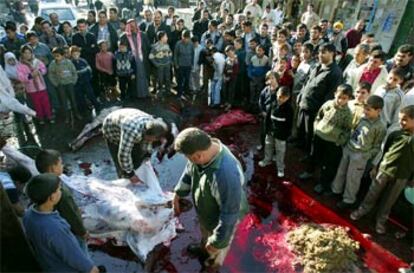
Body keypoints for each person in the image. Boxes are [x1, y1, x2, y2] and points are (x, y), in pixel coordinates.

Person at [173, 128, 248, 272]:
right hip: (209, 210)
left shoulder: (225, 175)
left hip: (226, 216)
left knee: (217, 249)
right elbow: (189, 171)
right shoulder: (203, 150)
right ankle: (204, 248)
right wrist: (178, 193)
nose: (188, 161)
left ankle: (212, 266)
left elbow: (230, 215)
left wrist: (217, 242)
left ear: (198, 156)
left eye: (189, 158)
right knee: (206, 232)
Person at [350, 105, 414, 234]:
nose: (401, 122)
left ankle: (380, 220)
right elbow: (385, 151)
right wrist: (377, 166)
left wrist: (412, 179)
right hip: (384, 170)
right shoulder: (396, 134)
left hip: (402, 176)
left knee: (389, 200)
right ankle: (362, 210)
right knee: (372, 193)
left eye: (405, 120)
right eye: (400, 119)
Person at [23, 173, 99, 273]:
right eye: (59, 189)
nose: (61, 191)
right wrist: (93, 269)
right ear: (52, 197)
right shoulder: (55, 229)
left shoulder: (29, 214)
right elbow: (74, 257)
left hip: (49, 264)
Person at [332, 95, 386, 209]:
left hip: (360, 155)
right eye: (365, 108)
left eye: (368, 110)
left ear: (378, 110)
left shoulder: (380, 127)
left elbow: (377, 147)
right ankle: (336, 191)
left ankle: (348, 200)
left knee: (353, 178)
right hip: (349, 148)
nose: (365, 111)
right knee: (341, 171)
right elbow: (354, 130)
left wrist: (366, 155)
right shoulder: (362, 118)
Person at [296, 43, 342, 159]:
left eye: (324, 52)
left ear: (332, 53)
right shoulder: (317, 66)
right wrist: (301, 95)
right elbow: (307, 82)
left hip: (314, 110)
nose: (320, 55)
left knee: (311, 135)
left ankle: (310, 157)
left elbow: (330, 96)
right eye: (319, 52)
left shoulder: (335, 73)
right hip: (304, 104)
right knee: (302, 130)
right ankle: (300, 146)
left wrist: (321, 113)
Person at [102, 108, 169, 182]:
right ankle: (124, 177)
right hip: (111, 129)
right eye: (154, 139)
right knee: (122, 165)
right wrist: (130, 174)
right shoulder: (132, 132)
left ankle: (136, 170)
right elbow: (123, 155)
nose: (152, 141)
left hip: (127, 118)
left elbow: (148, 143)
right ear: (148, 135)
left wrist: (146, 161)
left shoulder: (152, 125)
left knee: (138, 156)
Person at [259, 86, 293, 178]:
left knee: (280, 151)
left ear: (288, 97)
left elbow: (289, 124)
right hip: (271, 131)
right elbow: (267, 119)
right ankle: (267, 160)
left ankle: (280, 168)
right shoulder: (273, 104)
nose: (280, 99)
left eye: (283, 98)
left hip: (281, 135)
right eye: (279, 96)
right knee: (268, 146)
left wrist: (286, 135)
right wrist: (266, 130)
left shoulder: (289, 109)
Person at [17, 45, 53, 125]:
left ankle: (49, 115)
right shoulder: (20, 65)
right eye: (25, 53)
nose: (27, 55)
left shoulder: (36, 61)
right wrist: (30, 76)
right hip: (31, 88)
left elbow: (44, 69)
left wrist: (39, 71)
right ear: (22, 54)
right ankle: (41, 117)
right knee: (37, 104)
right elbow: (21, 77)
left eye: (29, 53)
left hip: (41, 86)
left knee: (46, 102)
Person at [48, 47, 81, 123]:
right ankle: (67, 116)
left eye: (58, 55)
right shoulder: (53, 64)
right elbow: (51, 74)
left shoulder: (68, 62)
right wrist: (56, 83)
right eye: (55, 56)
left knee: (73, 99)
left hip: (69, 84)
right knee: (63, 101)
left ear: (62, 56)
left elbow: (74, 72)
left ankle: (76, 114)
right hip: (61, 85)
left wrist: (73, 81)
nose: (56, 57)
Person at [119, 19, 151, 98]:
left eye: (134, 26)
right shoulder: (124, 36)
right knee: (133, 78)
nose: (133, 28)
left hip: (142, 60)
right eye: (131, 26)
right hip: (131, 61)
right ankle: (134, 94)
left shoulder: (143, 35)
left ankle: (144, 93)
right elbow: (121, 48)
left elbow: (148, 47)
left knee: (143, 76)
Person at [70, 46, 101, 114]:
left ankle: (97, 106)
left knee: (91, 94)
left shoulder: (83, 61)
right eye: (74, 54)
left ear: (79, 53)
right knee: (80, 98)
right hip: (77, 83)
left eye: (77, 53)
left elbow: (89, 70)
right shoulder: (71, 63)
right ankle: (84, 110)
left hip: (86, 82)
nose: (75, 55)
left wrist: (88, 78)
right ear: (71, 55)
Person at [374, 67, 405, 133]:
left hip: (382, 126)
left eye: (395, 80)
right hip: (369, 120)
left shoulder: (399, 96)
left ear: (400, 81)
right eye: (390, 78)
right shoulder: (380, 88)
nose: (391, 81)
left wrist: (389, 132)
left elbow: (397, 117)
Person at [257, 72, 279, 151]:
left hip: (273, 116)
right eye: (269, 78)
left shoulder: (279, 90)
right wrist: (262, 110)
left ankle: (273, 150)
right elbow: (260, 100)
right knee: (263, 131)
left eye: (273, 78)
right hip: (265, 114)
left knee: (272, 133)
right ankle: (263, 145)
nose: (271, 80)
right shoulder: (266, 89)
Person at [149, 31, 172, 99]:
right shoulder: (155, 47)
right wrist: (156, 64)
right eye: (166, 37)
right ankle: (160, 92)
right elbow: (150, 57)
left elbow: (170, 53)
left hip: (167, 65)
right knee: (160, 79)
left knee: (167, 78)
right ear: (161, 38)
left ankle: (168, 91)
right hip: (160, 67)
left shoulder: (167, 45)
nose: (167, 38)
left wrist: (169, 61)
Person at [248, 44, 270, 112]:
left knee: (259, 91)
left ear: (263, 51)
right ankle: (251, 105)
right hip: (253, 78)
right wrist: (251, 76)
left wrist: (264, 77)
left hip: (261, 78)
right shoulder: (253, 58)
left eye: (260, 51)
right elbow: (249, 68)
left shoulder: (266, 59)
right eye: (257, 50)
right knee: (252, 92)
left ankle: (258, 106)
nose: (259, 52)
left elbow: (267, 69)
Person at [174, 30, 194, 99]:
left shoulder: (191, 44)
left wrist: (192, 63)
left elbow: (192, 54)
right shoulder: (178, 44)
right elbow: (175, 55)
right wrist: (176, 64)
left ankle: (186, 92)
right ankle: (179, 93)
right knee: (180, 80)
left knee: (187, 80)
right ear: (182, 37)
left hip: (188, 65)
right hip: (180, 65)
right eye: (184, 38)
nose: (185, 39)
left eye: (187, 38)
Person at [222, 45, 240, 110]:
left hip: (233, 78)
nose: (228, 54)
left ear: (233, 51)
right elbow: (224, 68)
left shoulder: (236, 59)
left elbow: (236, 70)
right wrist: (224, 76)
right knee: (225, 90)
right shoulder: (227, 59)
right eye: (227, 53)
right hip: (226, 77)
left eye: (229, 53)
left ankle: (230, 104)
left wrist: (230, 77)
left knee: (231, 91)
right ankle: (226, 102)